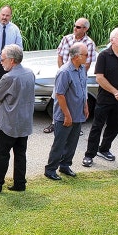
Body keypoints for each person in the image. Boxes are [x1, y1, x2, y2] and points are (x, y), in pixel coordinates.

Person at [0, 44, 35, 192]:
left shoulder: (9, 77)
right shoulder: (29, 73)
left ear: (12, 60)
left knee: (1, 154)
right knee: (20, 154)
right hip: (25, 122)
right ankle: (20, 183)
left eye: (3, 59)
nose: (1, 62)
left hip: (10, 123)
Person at [82, 28, 118, 167]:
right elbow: (99, 77)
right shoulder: (104, 56)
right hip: (105, 99)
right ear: (112, 40)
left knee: (114, 126)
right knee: (97, 126)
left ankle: (104, 149)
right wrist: (116, 92)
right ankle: (89, 154)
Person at [44, 43, 90, 180]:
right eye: (85, 55)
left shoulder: (82, 69)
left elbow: (83, 88)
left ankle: (65, 165)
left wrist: (86, 105)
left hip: (78, 113)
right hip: (65, 116)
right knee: (60, 143)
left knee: (72, 143)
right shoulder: (64, 72)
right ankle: (50, 169)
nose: (88, 57)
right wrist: (67, 115)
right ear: (76, 56)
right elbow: (60, 95)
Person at [43, 17, 97, 134]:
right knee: (57, 97)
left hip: (79, 75)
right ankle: (55, 122)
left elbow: (87, 63)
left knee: (77, 99)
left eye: (78, 27)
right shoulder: (66, 39)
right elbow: (60, 57)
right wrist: (63, 71)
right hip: (65, 73)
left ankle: (76, 124)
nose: (75, 29)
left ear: (85, 29)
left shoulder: (89, 43)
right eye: (74, 26)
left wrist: (78, 74)